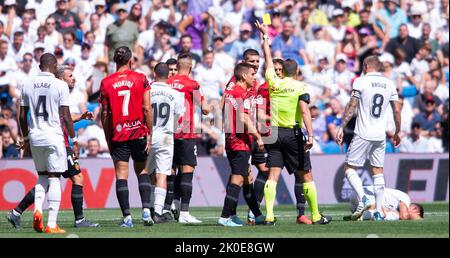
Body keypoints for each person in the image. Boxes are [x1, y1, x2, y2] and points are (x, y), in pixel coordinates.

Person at [255, 21, 331, 225]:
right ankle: (315, 215)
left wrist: (265, 37)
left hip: (274, 133)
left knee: (273, 174)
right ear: (296, 72)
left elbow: (268, 59)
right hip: (292, 133)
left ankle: (269, 215)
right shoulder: (301, 86)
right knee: (306, 174)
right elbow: (305, 110)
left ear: (283, 71)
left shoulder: (273, 81)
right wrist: (311, 134)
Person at [6, 65, 99, 229]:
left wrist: (80, 117)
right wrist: (74, 140)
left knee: (45, 181)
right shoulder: (58, 90)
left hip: (42, 139)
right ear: (61, 78)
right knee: (75, 178)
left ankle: (16, 212)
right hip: (59, 143)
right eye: (70, 76)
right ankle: (78, 220)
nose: (73, 78)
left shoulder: (48, 92)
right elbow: (64, 117)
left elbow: (62, 117)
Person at [335, 55, 402, 221]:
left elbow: (352, 105)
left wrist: (342, 126)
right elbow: (397, 110)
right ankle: (379, 212)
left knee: (349, 168)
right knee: (377, 171)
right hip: (380, 135)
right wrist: (398, 131)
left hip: (363, 132)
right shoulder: (389, 83)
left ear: (365, 66)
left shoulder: (361, 81)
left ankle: (363, 198)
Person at [17, 53, 77, 234]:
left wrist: (26, 138)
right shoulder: (60, 85)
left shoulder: (26, 84)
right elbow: (65, 116)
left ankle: (37, 209)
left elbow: (21, 116)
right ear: (55, 65)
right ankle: (51, 224)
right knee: (54, 178)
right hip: (53, 136)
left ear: (39, 66)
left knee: (42, 176)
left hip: (35, 136)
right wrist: (74, 139)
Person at [99, 46, 153, 227]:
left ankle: (127, 217)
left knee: (121, 174)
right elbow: (147, 108)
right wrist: (150, 132)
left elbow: (105, 114)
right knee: (142, 171)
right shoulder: (141, 78)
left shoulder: (106, 82)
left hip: (119, 133)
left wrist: (108, 136)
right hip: (138, 132)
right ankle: (146, 212)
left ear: (115, 61)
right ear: (130, 60)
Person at [218, 62, 266, 227]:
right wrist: (258, 137)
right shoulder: (242, 93)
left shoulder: (230, 91)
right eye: (252, 74)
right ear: (244, 76)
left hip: (230, 138)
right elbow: (243, 118)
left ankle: (258, 215)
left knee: (246, 177)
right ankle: (225, 217)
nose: (254, 77)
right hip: (240, 141)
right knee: (238, 178)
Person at [167, 53, 210, 224]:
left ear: (176, 66)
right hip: (185, 132)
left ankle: (169, 206)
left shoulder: (167, 82)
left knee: (170, 171)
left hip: (168, 133)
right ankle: (184, 212)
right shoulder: (192, 84)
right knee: (187, 171)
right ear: (190, 67)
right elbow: (205, 109)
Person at [147, 62, 184, 223]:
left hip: (149, 135)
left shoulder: (147, 90)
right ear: (168, 75)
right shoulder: (176, 93)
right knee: (162, 173)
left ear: (154, 74)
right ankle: (158, 212)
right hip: (166, 135)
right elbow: (177, 117)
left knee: (146, 173)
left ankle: (147, 209)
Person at [346, 186, 424, 221]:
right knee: (389, 214)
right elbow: (404, 216)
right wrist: (418, 219)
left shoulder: (396, 210)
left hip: (354, 203)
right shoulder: (406, 198)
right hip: (363, 195)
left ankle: (358, 216)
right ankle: (362, 212)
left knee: (388, 214)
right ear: (415, 210)